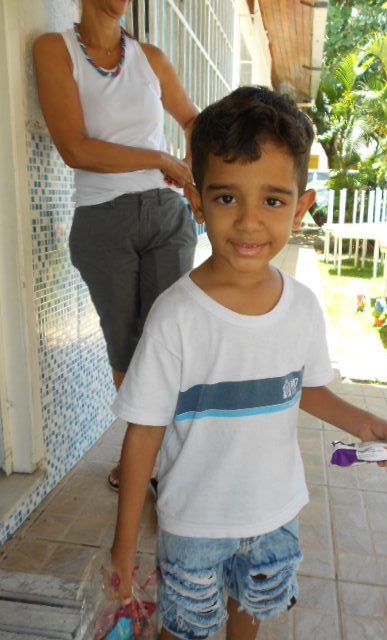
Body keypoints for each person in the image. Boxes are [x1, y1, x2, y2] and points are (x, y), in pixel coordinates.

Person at [110, 86, 387, 640]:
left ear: (301, 207)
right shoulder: (176, 316)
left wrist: (364, 424)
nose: (249, 222)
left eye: (272, 201)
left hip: (274, 516)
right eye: (227, 198)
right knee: (183, 629)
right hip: (193, 524)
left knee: (248, 619)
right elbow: (144, 433)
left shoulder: (302, 307)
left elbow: (303, 387)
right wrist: (124, 543)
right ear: (197, 202)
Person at [33, 0, 198, 490]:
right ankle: (144, 457)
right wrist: (160, 160)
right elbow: (74, 149)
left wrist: (193, 179)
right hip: (104, 221)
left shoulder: (150, 58)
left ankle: (161, 458)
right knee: (127, 348)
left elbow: (193, 121)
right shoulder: (55, 50)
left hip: (166, 216)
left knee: (170, 341)